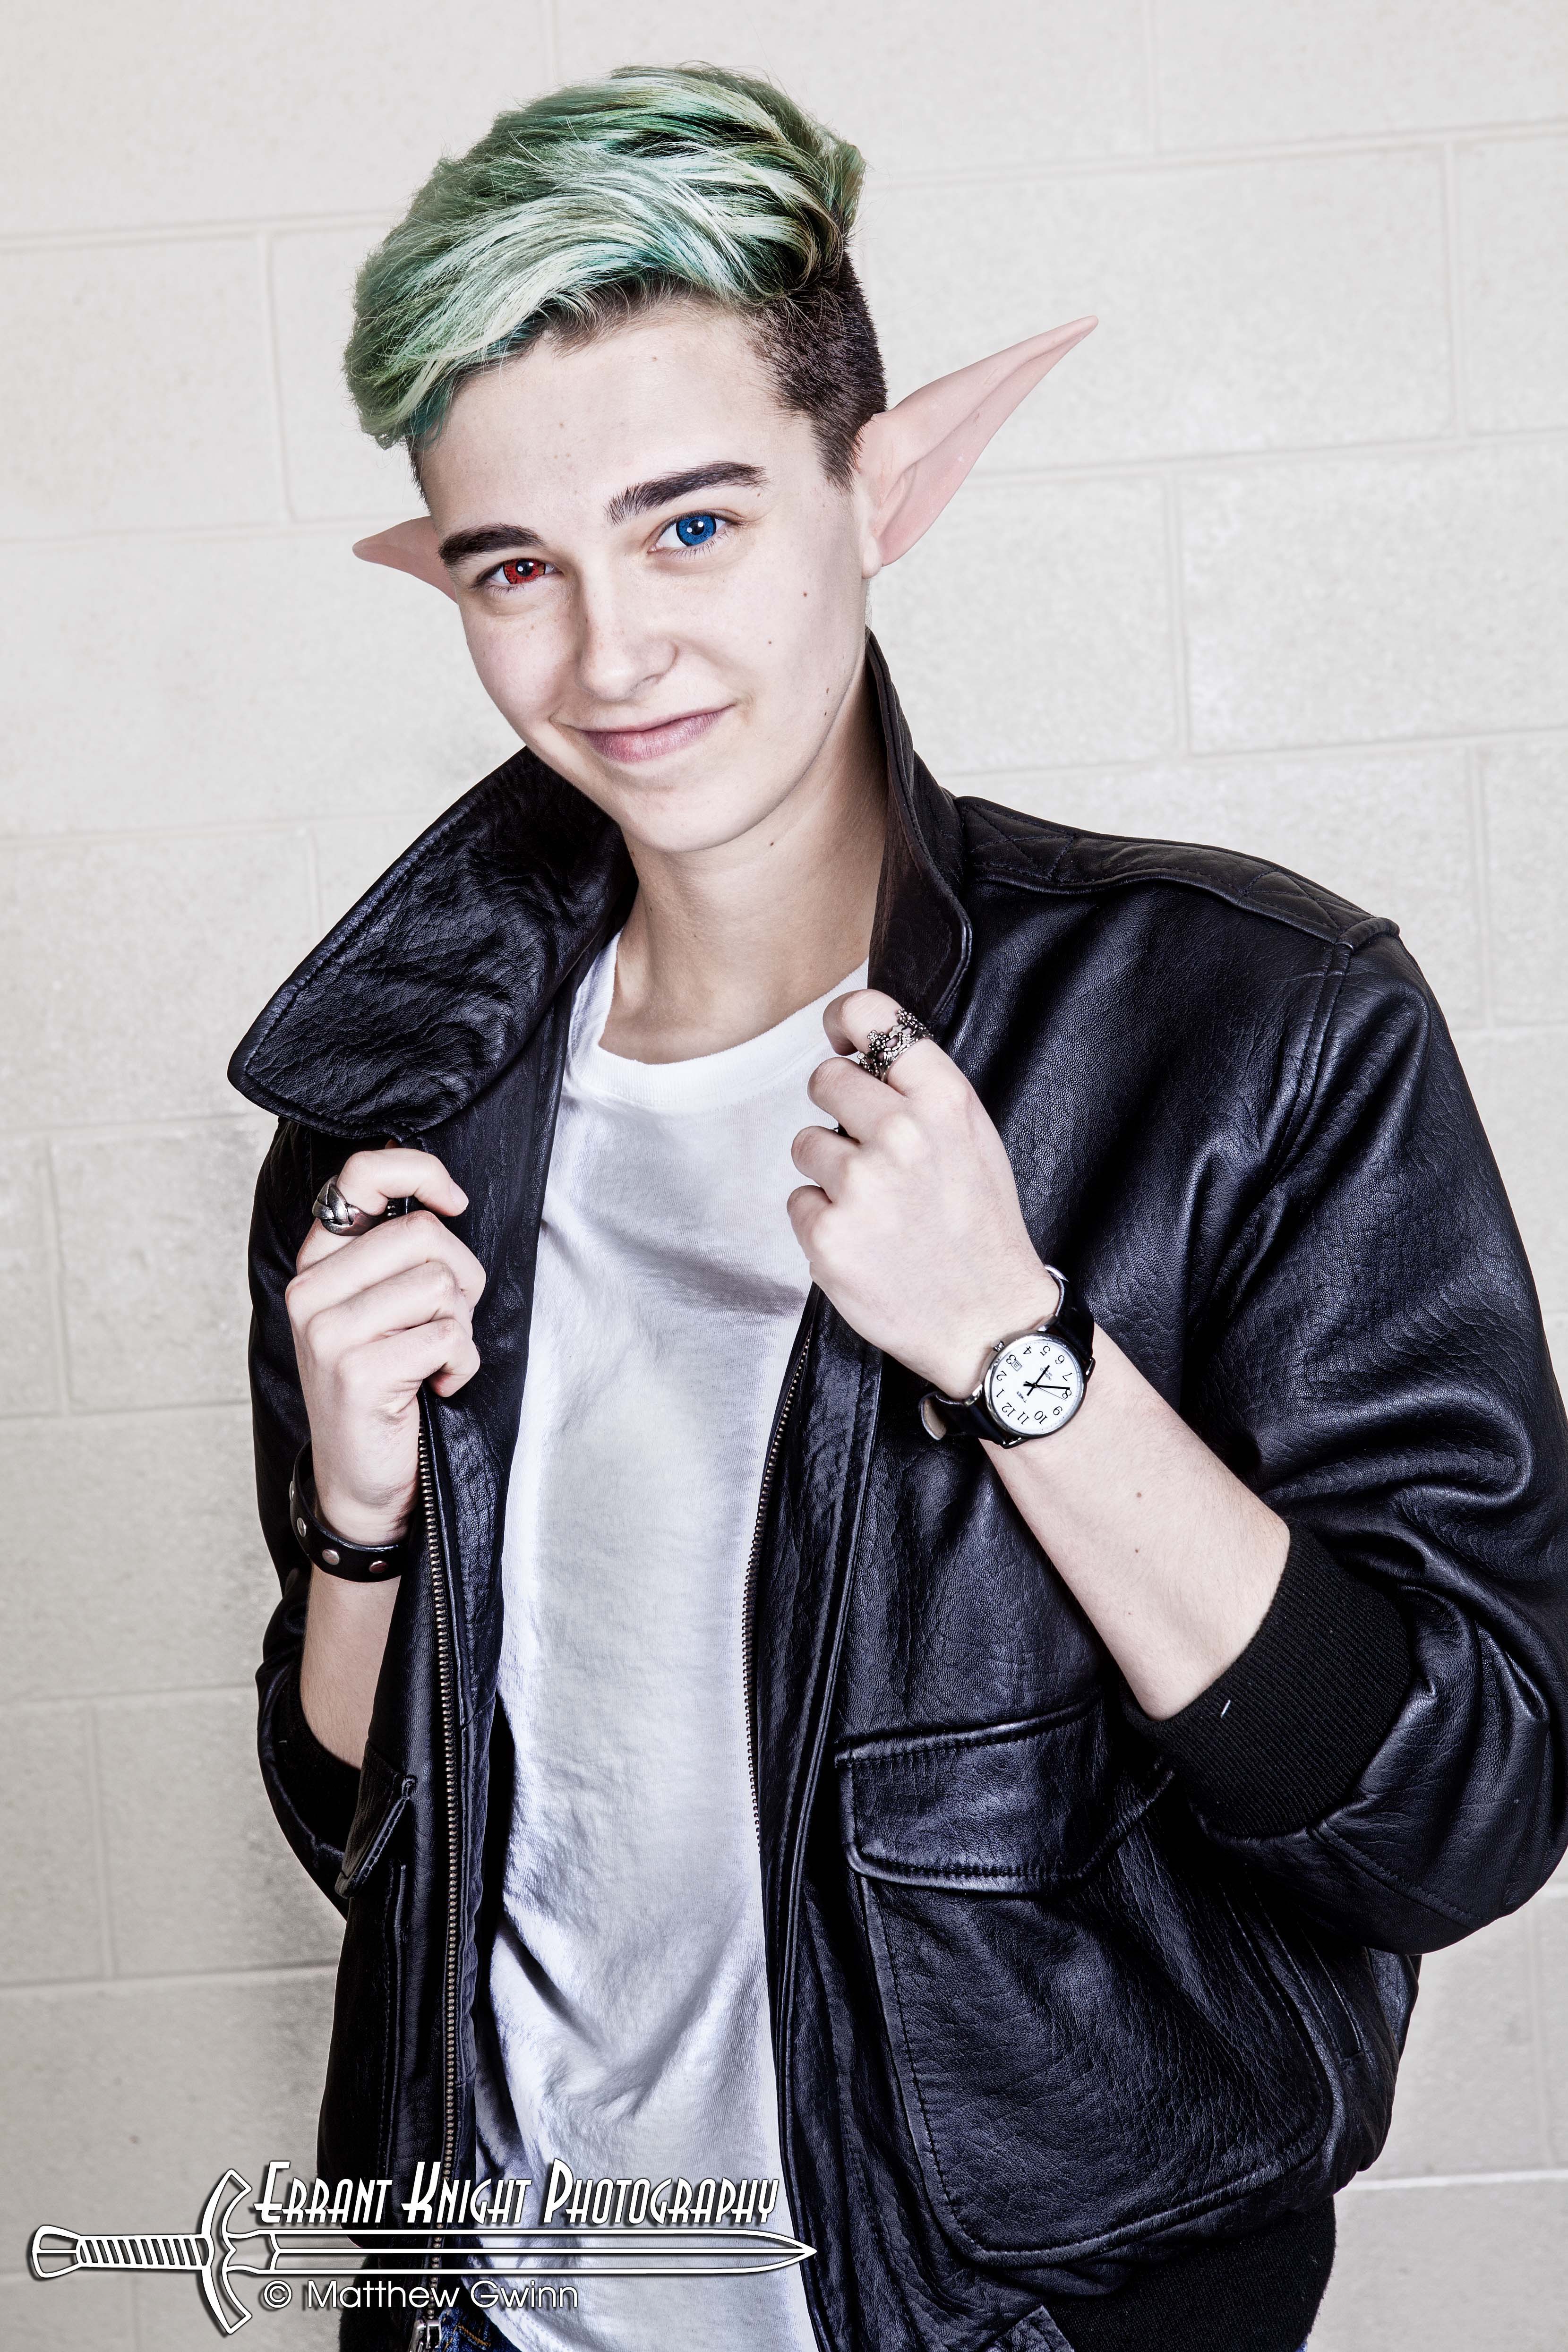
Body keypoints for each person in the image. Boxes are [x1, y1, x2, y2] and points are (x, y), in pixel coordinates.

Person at [231, 63, 1568, 2352]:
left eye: (689, 525)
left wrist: (1017, 1356)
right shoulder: (398, 1105)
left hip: (1013, 2316)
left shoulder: (1245, 1024)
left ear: (882, 486)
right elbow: (368, 1839)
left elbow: (1456, 1807)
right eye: (514, 567)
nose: (610, 656)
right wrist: (361, 1527)